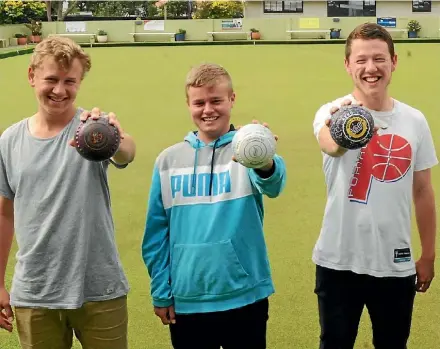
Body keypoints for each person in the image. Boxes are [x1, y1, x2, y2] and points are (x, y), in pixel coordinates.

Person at [0, 36, 136, 349]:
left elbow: (127, 152)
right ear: (32, 75)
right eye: (51, 79)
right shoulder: (10, 141)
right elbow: (4, 214)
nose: (60, 90)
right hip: (35, 292)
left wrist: (114, 137)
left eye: (69, 81)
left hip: (100, 287)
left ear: (80, 82)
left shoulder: (94, 131)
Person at [141, 62, 287, 349]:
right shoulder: (167, 161)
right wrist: (161, 291)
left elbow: (273, 184)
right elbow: (156, 236)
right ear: (188, 105)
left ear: (232, 99)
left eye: (216, 100)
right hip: (188, 299)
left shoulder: (247, 150)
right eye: (199, 103)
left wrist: (263, 159)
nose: (208, 110)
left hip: (246, 295)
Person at [312, 22, 437, 349]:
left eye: (380, 59)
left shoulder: (414, 121)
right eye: (362, 60)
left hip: (395, 263)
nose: (371, 68)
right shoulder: (332, 112)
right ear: (348, 65)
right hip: (338, 260)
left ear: (393, 62)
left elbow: (423, 190)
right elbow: (330, 145)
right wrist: (342, 128)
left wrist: (428, 255)